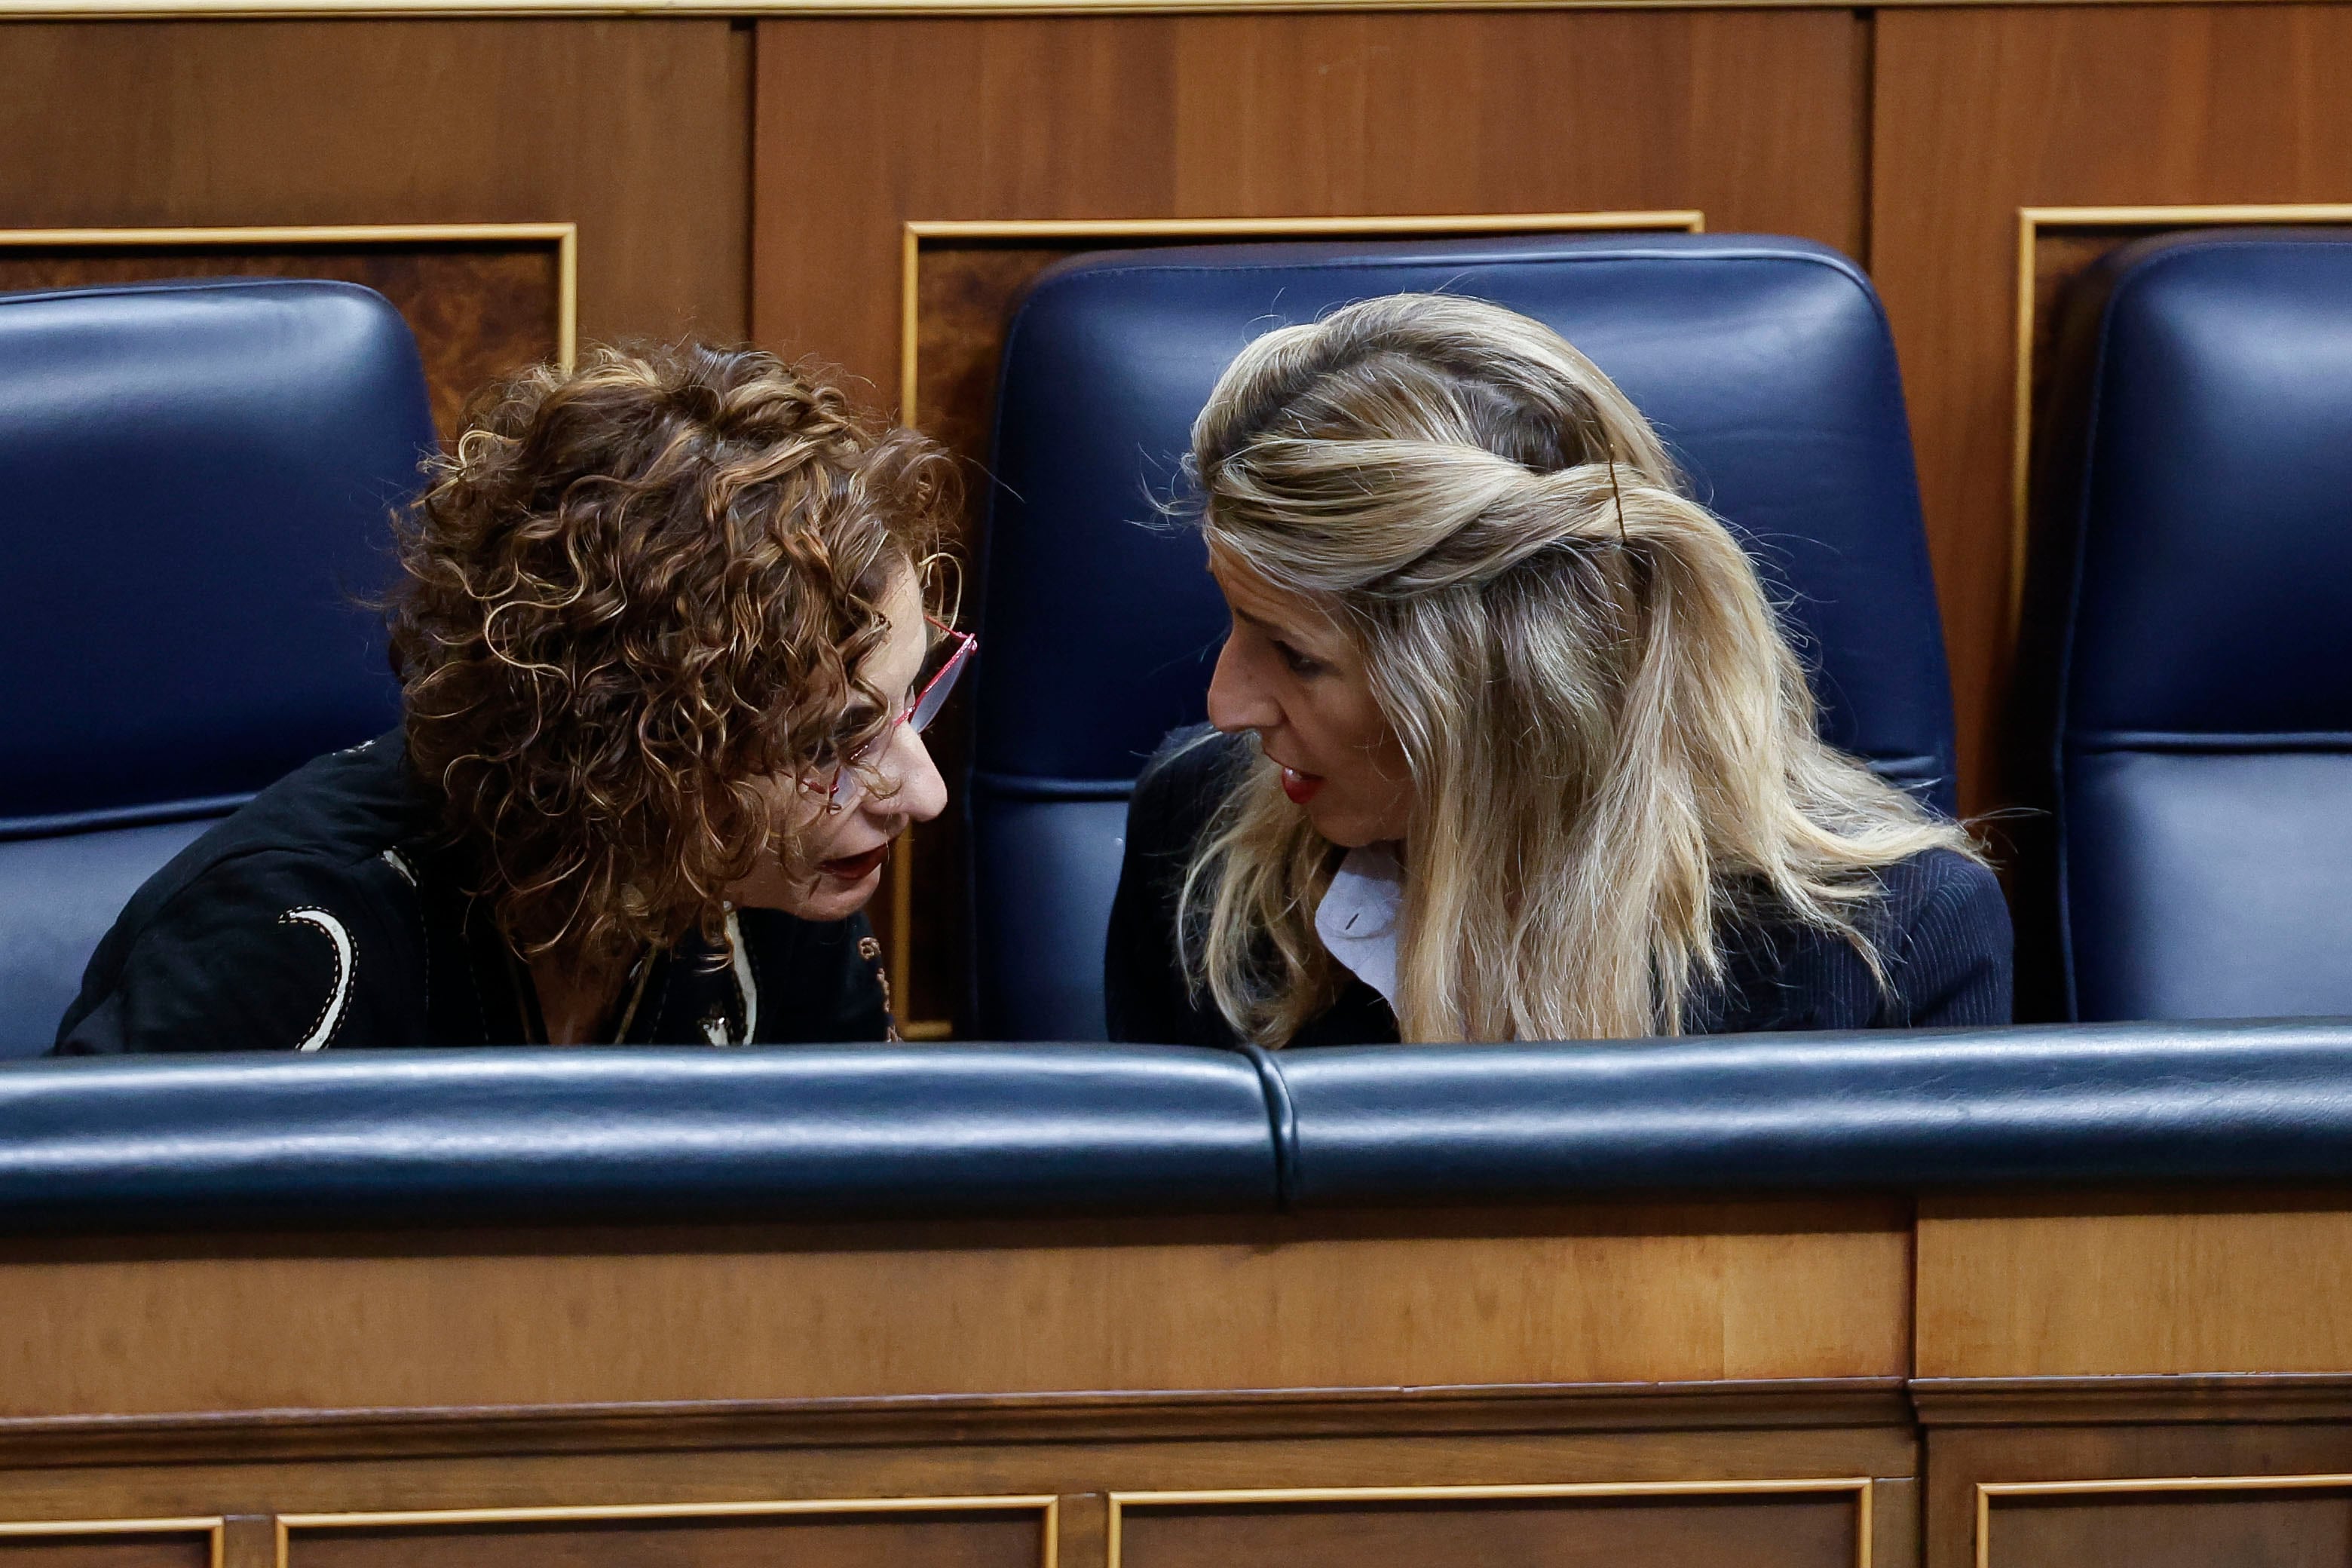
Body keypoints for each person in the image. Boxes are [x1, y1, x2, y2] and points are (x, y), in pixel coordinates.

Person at [1106, 293, 2010, 1048]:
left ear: (1511, 683)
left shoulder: (1896, 940)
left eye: (1299, 656)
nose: (1226, 704)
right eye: (1235, 622)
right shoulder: (1197, 835)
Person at [57, 342, 966, 1052]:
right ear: (637, 747)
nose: (923, 793)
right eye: (830, 743)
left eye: (904, 706)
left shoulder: (773, 879)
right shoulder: (291, 938)